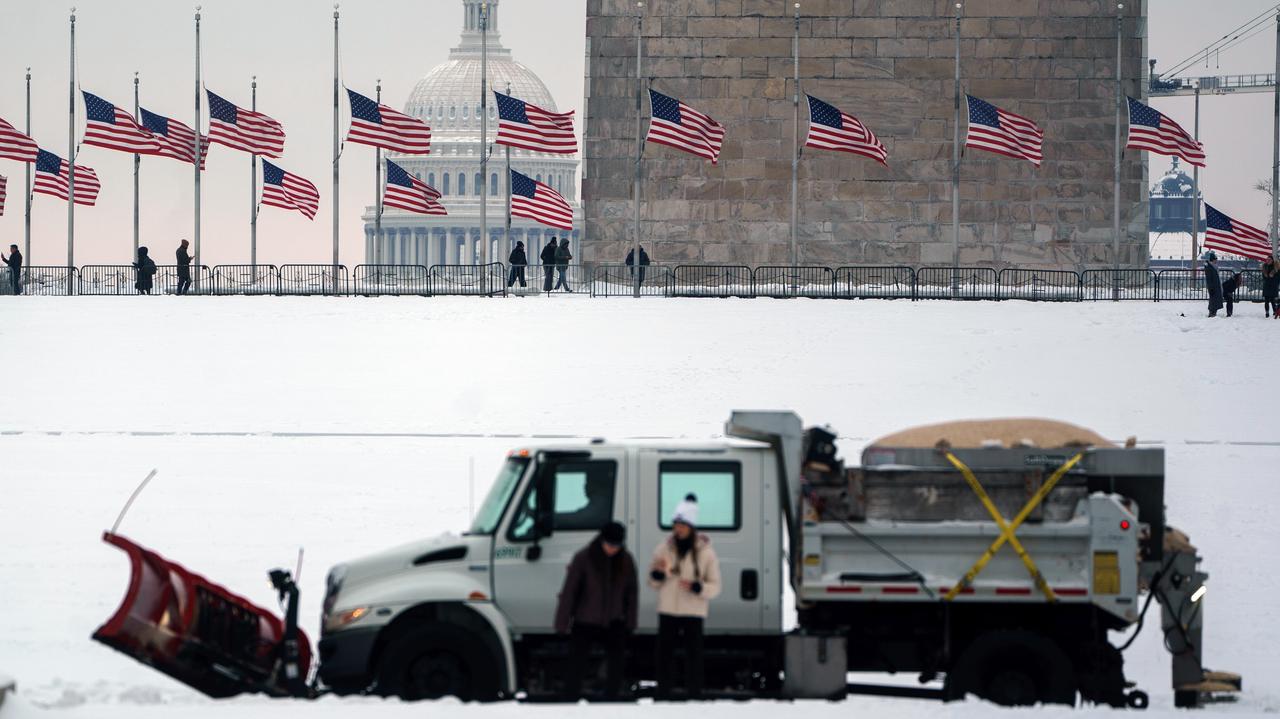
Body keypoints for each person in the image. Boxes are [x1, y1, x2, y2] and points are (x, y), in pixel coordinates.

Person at [554, 521, 638, 700]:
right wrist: (562, 623)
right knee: (577, 661)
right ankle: (570, 698)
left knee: (616, 662)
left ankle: (612, 698)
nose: (612, 549)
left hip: (615, 620)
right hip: (585, 620)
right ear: (602, 540)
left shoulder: (627, 560)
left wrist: (631, 621)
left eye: (616, 545)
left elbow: (632, 593)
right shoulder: (583, 558)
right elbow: (570, 592)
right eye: (609, 544)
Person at [648, 494, 720, 700]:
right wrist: (658, 575)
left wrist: (698, 587)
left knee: (694, 655)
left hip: (693, 611)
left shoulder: (706, 553)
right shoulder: (663, 548)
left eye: (682, 525)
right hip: (668, 608)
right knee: (664, 654)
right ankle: (663, 694)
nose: (677, 529)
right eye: (676, 525)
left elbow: (715, 586)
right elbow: (653, 580)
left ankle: (695, 695)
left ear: (691, 527)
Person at [1203, 251, 1223, 318]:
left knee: (1215, 299)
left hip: (1216, 286)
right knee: (1213, 299)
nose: (1216, 260)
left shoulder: (1213, 266)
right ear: (1213, 260)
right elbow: (1209, 279)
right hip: (1213, 286)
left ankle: (1213, 312)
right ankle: (1212, 313)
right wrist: (1211, 287)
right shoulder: (1210, 267)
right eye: (1215, 259)